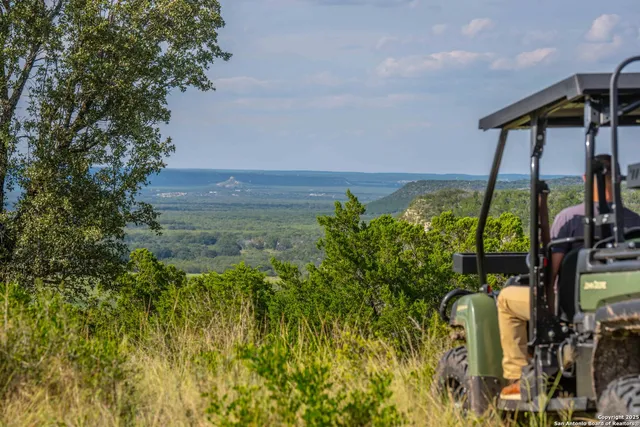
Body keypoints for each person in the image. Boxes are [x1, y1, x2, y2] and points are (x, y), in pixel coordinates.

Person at [497, 154, 640, 400]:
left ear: (585, 179)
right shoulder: (634, 221)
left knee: (506, 299)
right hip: (620, 303)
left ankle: (517, 377)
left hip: (572, 306)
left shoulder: (569, 218)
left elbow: (553, 273)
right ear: (617, 180)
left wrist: (542, 296)